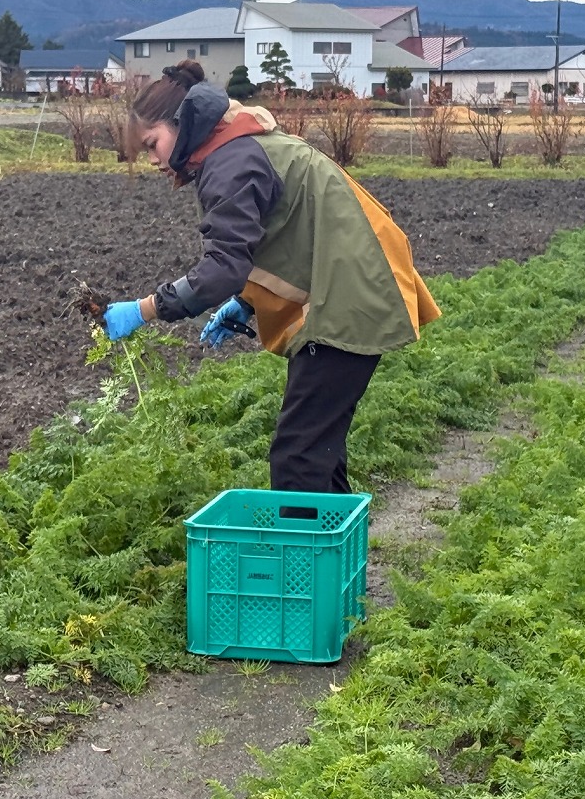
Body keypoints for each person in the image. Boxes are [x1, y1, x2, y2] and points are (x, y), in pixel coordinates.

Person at [103, 60, 439, 494]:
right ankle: (331, 558)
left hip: (350, 294)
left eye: (153, 144)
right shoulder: (237, 143)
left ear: (182, 125)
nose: (152, 160)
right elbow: (286, 229)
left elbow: (223, 267)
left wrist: (144, 309)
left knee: (298, 455)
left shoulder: (230, 162)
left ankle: (305, 560)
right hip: (351, 281)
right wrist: (247, 300)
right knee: (316, 450)